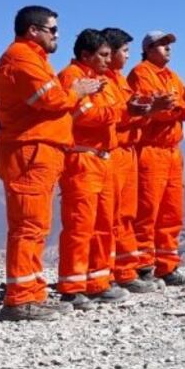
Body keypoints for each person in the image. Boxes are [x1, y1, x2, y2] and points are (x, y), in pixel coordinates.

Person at [0, 6, 103, 321]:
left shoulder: (36, 59)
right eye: (52, 29)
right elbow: (52, 98)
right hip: (29, 150)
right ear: (33, 30)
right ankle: (20, 300)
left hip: (40, 150)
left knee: (36, 225)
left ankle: (33, 294)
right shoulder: (21, 58)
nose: (57, 35)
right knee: (28, 225)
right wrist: (76, 90)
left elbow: (53, 98)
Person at [56, 29, 142, 309]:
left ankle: (98, 281)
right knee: (81, 225)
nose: (108, 60)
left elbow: (112, 111)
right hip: (82, 158)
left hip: (102, 158)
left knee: (104, 223)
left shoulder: (98, 80)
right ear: (85, 55)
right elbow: (83, 115)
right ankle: (72, 286)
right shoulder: (72, 77)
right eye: (103, 55)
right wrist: (122, 112)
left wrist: (134, 110)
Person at [128, 30, 185, 286]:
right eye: (162, 45)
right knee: (147, 210)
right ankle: (143, 264)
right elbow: (156, 112)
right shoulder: (140, 73)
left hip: (173, 151)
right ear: (149, 49)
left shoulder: (173, 77)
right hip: (150, 150)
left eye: (169, 45)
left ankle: (167, 265)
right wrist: (182, 103)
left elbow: (183, 113)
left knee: (171, 211)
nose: (168, 49)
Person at [101, 27, 157, 294]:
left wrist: (148, 110)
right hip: (112, 152)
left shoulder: (120, 81)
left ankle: (124, 270)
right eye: (124, 51)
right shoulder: (104, 81)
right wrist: (131, 111)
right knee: (109, 216)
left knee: (126, 214)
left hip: (128, 151)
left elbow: (129, 116)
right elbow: (106, 117)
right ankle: (105, 273)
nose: (127, 56)